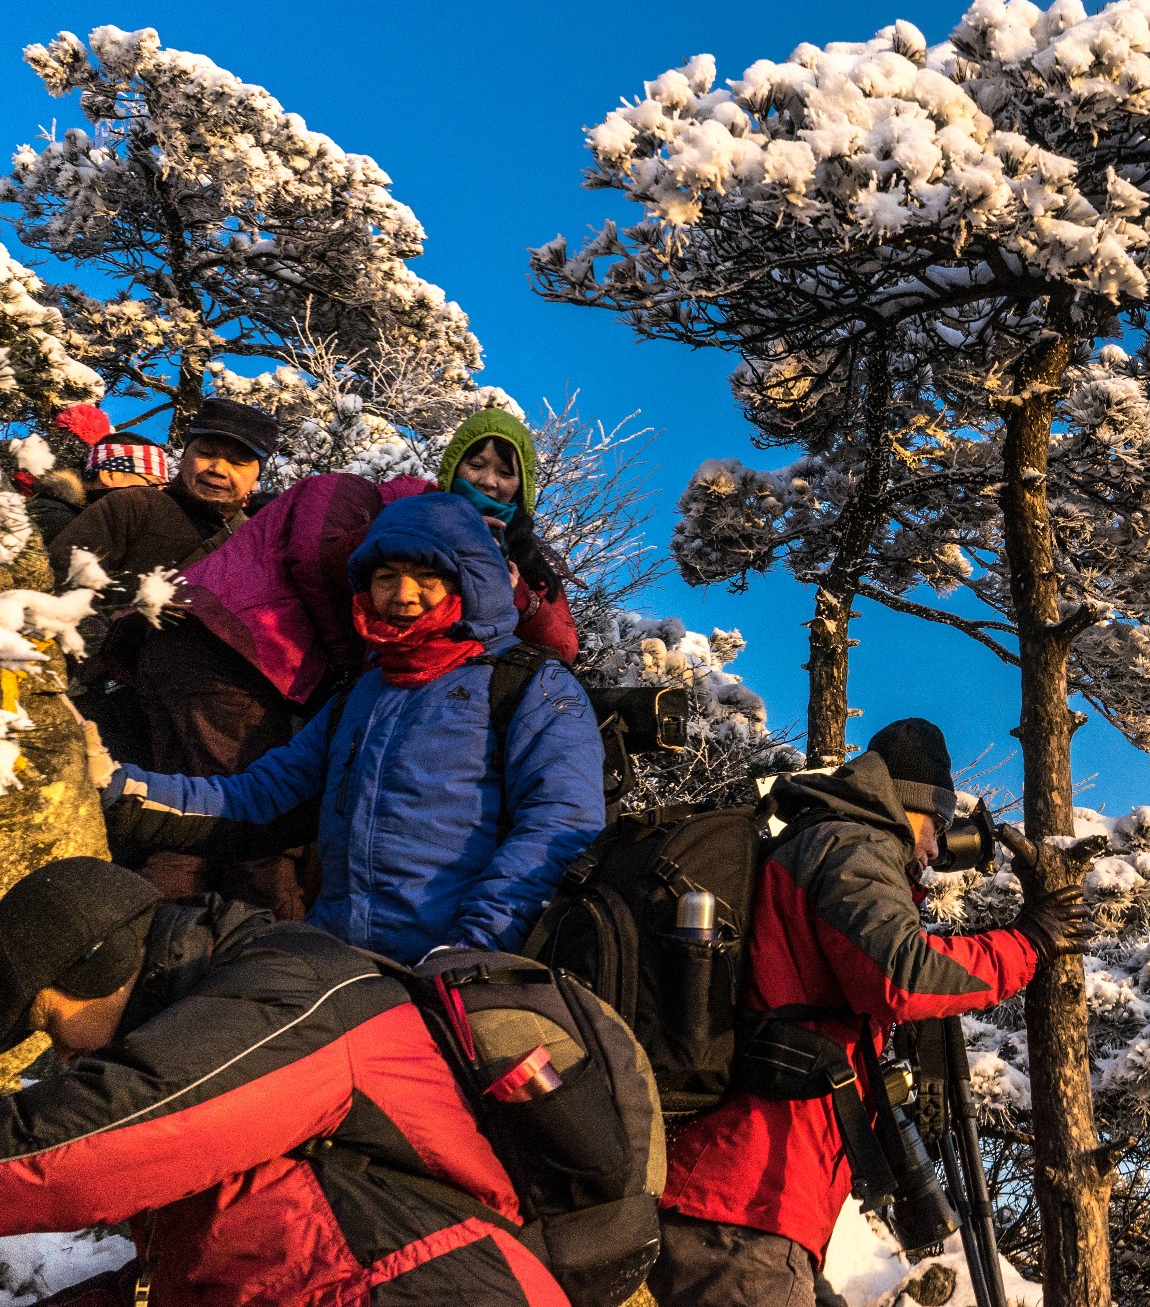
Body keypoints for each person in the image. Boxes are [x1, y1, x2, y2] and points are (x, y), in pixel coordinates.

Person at [650, 718, 1088, 1307]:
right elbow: (902, 975)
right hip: (745, 1198)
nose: (937, 848)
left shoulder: (822, 842)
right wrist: (1026, 943)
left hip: (758, 1202)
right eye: (936, 825)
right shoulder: (850, 844)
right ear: (907, 806)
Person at [0, 856, 571, 1306]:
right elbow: (215, 1260)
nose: (62, 1054)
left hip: (438, 1285)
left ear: (102, 963)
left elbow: (80, 1154)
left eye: (50, 1022)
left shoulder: (281, 993)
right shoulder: (204, 1011)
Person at [101, 492, 606, 962]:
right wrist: (114, 789)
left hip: (452, 970)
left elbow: (561, 825)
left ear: (468, 581)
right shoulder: (365, 693)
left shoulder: (530, 686)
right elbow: (259, 797)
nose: (402, 596)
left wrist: (472, 953)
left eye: (426, 578)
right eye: (386, 577)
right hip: (339, 959)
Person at [113, 471, 434, 916]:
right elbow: (313, 560)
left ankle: (144, 944)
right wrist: (348, 659)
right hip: (226, 650)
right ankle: (266, 948)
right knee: (248, 822)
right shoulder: (347, 489)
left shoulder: (357, 507)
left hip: (186, 645)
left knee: (191, 826)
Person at [48, 398, 279, 760]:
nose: (219, 469)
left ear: (256, 475)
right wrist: (107, 664)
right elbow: (62, 581)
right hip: (105, 704)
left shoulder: (253, 543)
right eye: (206, 453)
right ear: (184, 455)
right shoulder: (133, 506)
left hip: (200, 717)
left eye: (238, 462)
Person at [438, 408, 579, 662]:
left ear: (522, 485)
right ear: (453, 465)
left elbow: (566, 648)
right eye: (476, 465)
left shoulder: (531, 556)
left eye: (505, 473)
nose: (488, 481)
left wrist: (518, 594)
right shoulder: (413, 514)